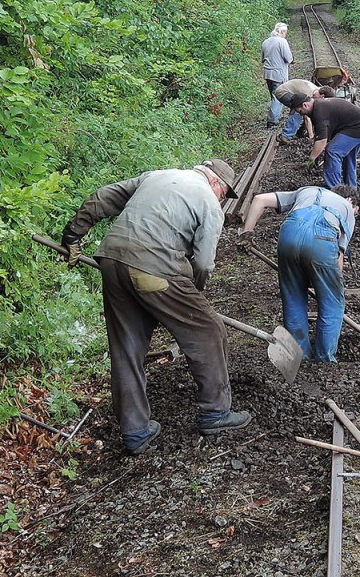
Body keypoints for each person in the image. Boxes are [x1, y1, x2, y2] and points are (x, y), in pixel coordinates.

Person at [59, 160, 250, 455]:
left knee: (127, 347)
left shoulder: (156, 176)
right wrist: (190, 298)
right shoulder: (210, 203)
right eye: (225, 192)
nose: (222, 198)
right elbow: (203, 263)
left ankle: (135, 432)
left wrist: (73, 235)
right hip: (155, 268)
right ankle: (216, 413)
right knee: (209, 331)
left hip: (112, 261)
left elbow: (103, 198)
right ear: (216, 184)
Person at [237, 185, 360, 362]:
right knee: (332, 301)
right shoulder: (347, 208)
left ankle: (299, 354)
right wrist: (326, 284)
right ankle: (324, 359)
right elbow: (338, 258)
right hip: (322, 239)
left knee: (293, 295)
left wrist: (246, 233)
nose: (354, 215)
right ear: (351, 202)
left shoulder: (306, 190)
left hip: (289, 232)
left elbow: (259, 200)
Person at [287, 93, 360, 189]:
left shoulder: (319, 112)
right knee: (348, 157)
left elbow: (322, 141)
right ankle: (351, 189)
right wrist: (316, 154)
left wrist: (311, 159)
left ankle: (335, 189)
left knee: (332, 151)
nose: (300, 113)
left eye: (300, 111)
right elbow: (319, 136)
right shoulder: (318, 106)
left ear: (305, 105)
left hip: (357, 128)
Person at [274, 80, 335, 145]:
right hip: (283, 92)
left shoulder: (316, 90)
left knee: (306, 111)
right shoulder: (308, 94)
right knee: (300, 110)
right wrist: (311, 137)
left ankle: (300, 133)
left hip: (291, 92)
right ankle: (286, 136)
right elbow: (307, 119)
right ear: (322, 96)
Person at [261, 22, 293, 127]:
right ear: (282, 31)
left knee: (273, 95)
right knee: (278, 96)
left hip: (267, 72)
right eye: (285, 32)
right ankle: (272, 120)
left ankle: (276, 114)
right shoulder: (282, 42)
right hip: (278, 73)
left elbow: (263, 59)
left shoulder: (265, 42)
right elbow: (288, 58)